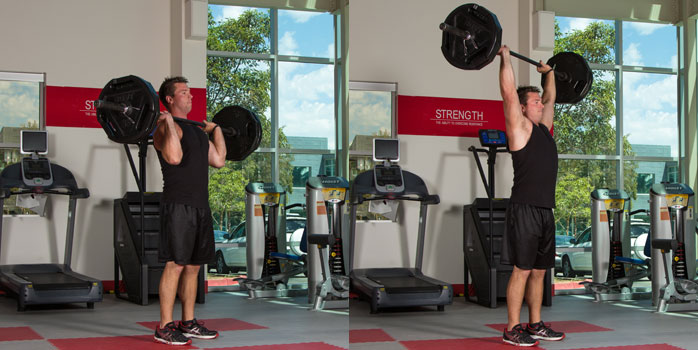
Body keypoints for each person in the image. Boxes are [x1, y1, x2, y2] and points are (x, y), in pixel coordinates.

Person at [497, 46, 565, 347]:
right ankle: (512, 327)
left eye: (539, 102)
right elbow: (509, 93)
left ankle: (535, 324)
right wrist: (506, 59)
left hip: (544, 210)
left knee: (539, 272)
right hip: (524, 208)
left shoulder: (544, 129)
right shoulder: (520, 128)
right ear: (524, 108)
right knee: (522, 270)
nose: (540, 104)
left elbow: (551, 96)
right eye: (534, 102)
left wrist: (548, 74)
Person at [152, 76, 227, 346]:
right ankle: (164, 326)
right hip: (178, 205)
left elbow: (219, 160)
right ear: (170, 99)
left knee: (194, 267)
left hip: (200, 206)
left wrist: (215, 129)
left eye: (190, 92)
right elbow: (173, 157)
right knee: (175, 265)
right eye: (183, 92)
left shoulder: (197, 131)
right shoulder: (163, 130)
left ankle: (188, 322)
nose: (190, 96)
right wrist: (169, 123)